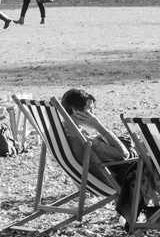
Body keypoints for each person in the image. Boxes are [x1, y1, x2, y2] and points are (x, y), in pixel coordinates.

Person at [59, 88, 145, 220]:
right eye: (90, 109)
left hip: (87, 179)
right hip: (109, 181)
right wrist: (98, 126)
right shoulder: (79, 137)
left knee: (136, 146)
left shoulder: (62, 130)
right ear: (76, 111)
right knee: (147, 158)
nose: (93, 114)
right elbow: (123, 155)